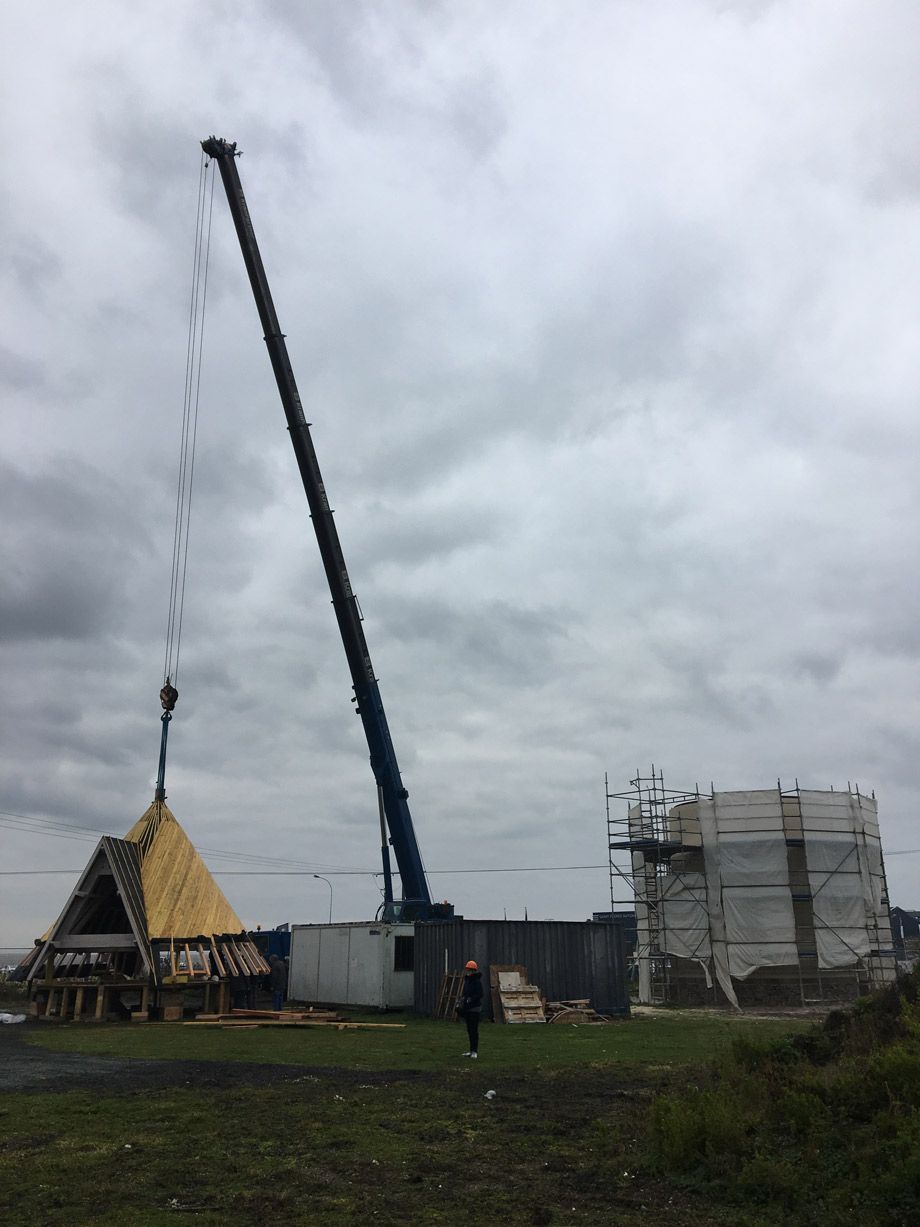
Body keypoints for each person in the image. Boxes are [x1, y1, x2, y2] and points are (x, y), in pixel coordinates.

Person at [459, 959, 483, 1058]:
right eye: (467, 969)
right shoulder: (467, 981)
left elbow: (480, 994)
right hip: (468, 1008)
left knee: (473, 1030)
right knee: (469, 1030)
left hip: (475, 1009)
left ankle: (474, 1051)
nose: (467, 971)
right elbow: (465, 993)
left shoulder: (477, 982)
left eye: (469, 970)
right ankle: (471, 1050)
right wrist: (463, 999)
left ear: (473, 970)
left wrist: (471, 999)